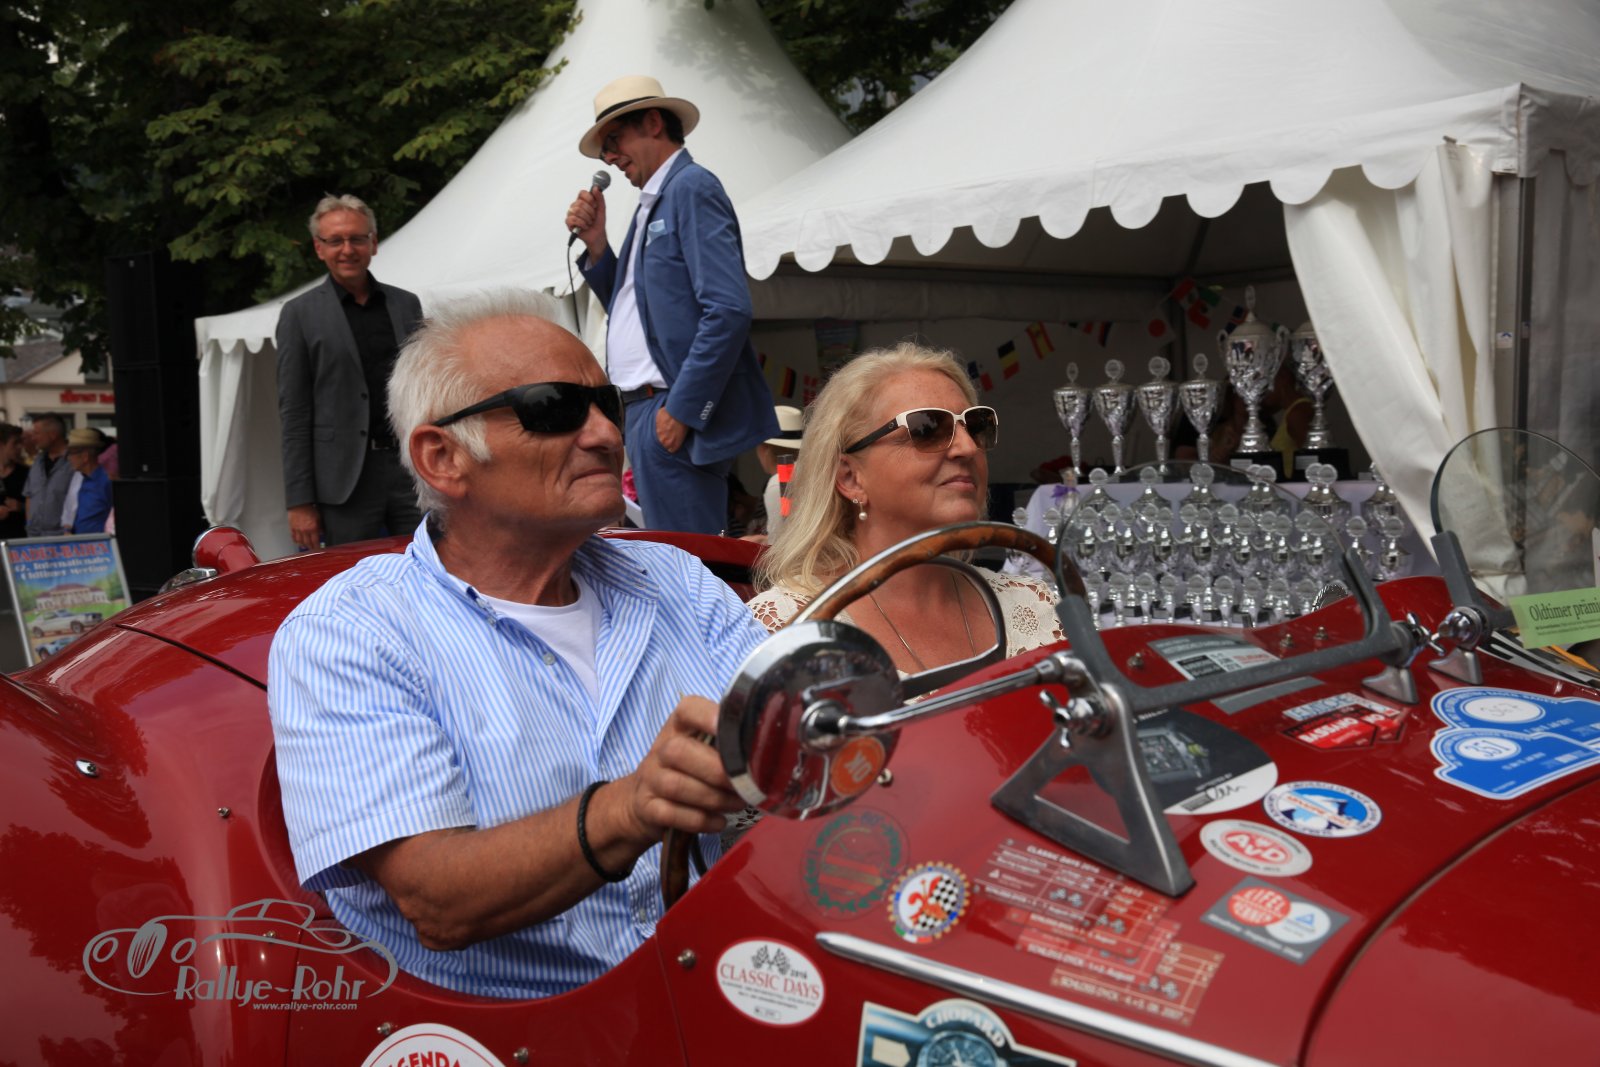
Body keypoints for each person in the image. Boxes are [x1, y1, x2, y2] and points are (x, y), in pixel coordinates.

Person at [268, 290, 768, 1000]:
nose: (605, 433)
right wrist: (631, 807)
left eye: (607, 404)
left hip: (727, 992)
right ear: (443, 457)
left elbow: (798, 757)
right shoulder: (352, 631)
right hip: (512, 1034)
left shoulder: (677, 581)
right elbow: (435, 899)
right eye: (554, 409)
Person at [749, 344, 1068, 671]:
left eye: (976, 426)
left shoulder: (1032, 606)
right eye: (927, 428)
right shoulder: (787, 631)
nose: (968, 447)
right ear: (850, 478)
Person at [565, 75, 778, 535]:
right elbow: (640, 313)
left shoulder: (690, 187)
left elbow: (728, 309)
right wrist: (598, 246)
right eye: (604, 150)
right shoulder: (658, 198)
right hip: (650, 408)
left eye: (613, 141)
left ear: (653, 123)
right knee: (676, 555)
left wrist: (682, 409)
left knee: (684, 560)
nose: (609, 158)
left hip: (667, 406)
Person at [276, 194, 424, 550]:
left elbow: (426, 388)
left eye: (357, 238)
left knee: (427, 563)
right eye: (335, 241)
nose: (347, 249)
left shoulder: (406, 305)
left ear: (373, 243)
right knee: (350, 573)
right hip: (343, 481)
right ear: (319, 248)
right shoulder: (299, 314)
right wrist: (299, 502)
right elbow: (294, 413)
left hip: (410, 468)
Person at [748, 405, 803, 543]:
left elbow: (779, 545)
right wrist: (764, 539)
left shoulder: (779, 483)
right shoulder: (807, 471)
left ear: (764, 448)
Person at [23, 414, 73, 537]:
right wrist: (29, 524)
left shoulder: (74, 461)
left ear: (53, 435)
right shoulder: (38, 461)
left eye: (36, 433)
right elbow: (29, 495)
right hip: (35, 536)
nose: (33, 438)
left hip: (62, 537)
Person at [65, 429, 112, 534]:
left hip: (100, 542)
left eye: (71, 453)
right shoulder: (83, 479)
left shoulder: (106, 481)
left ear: (85, 457)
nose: (69, 458)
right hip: (83, 541)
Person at [0, 424, 26, 541]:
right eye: (15, 443)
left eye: (21, 442)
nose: (20, 447)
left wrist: (21, 507)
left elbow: (41, 507)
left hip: (19, 541)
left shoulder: (27, 473)